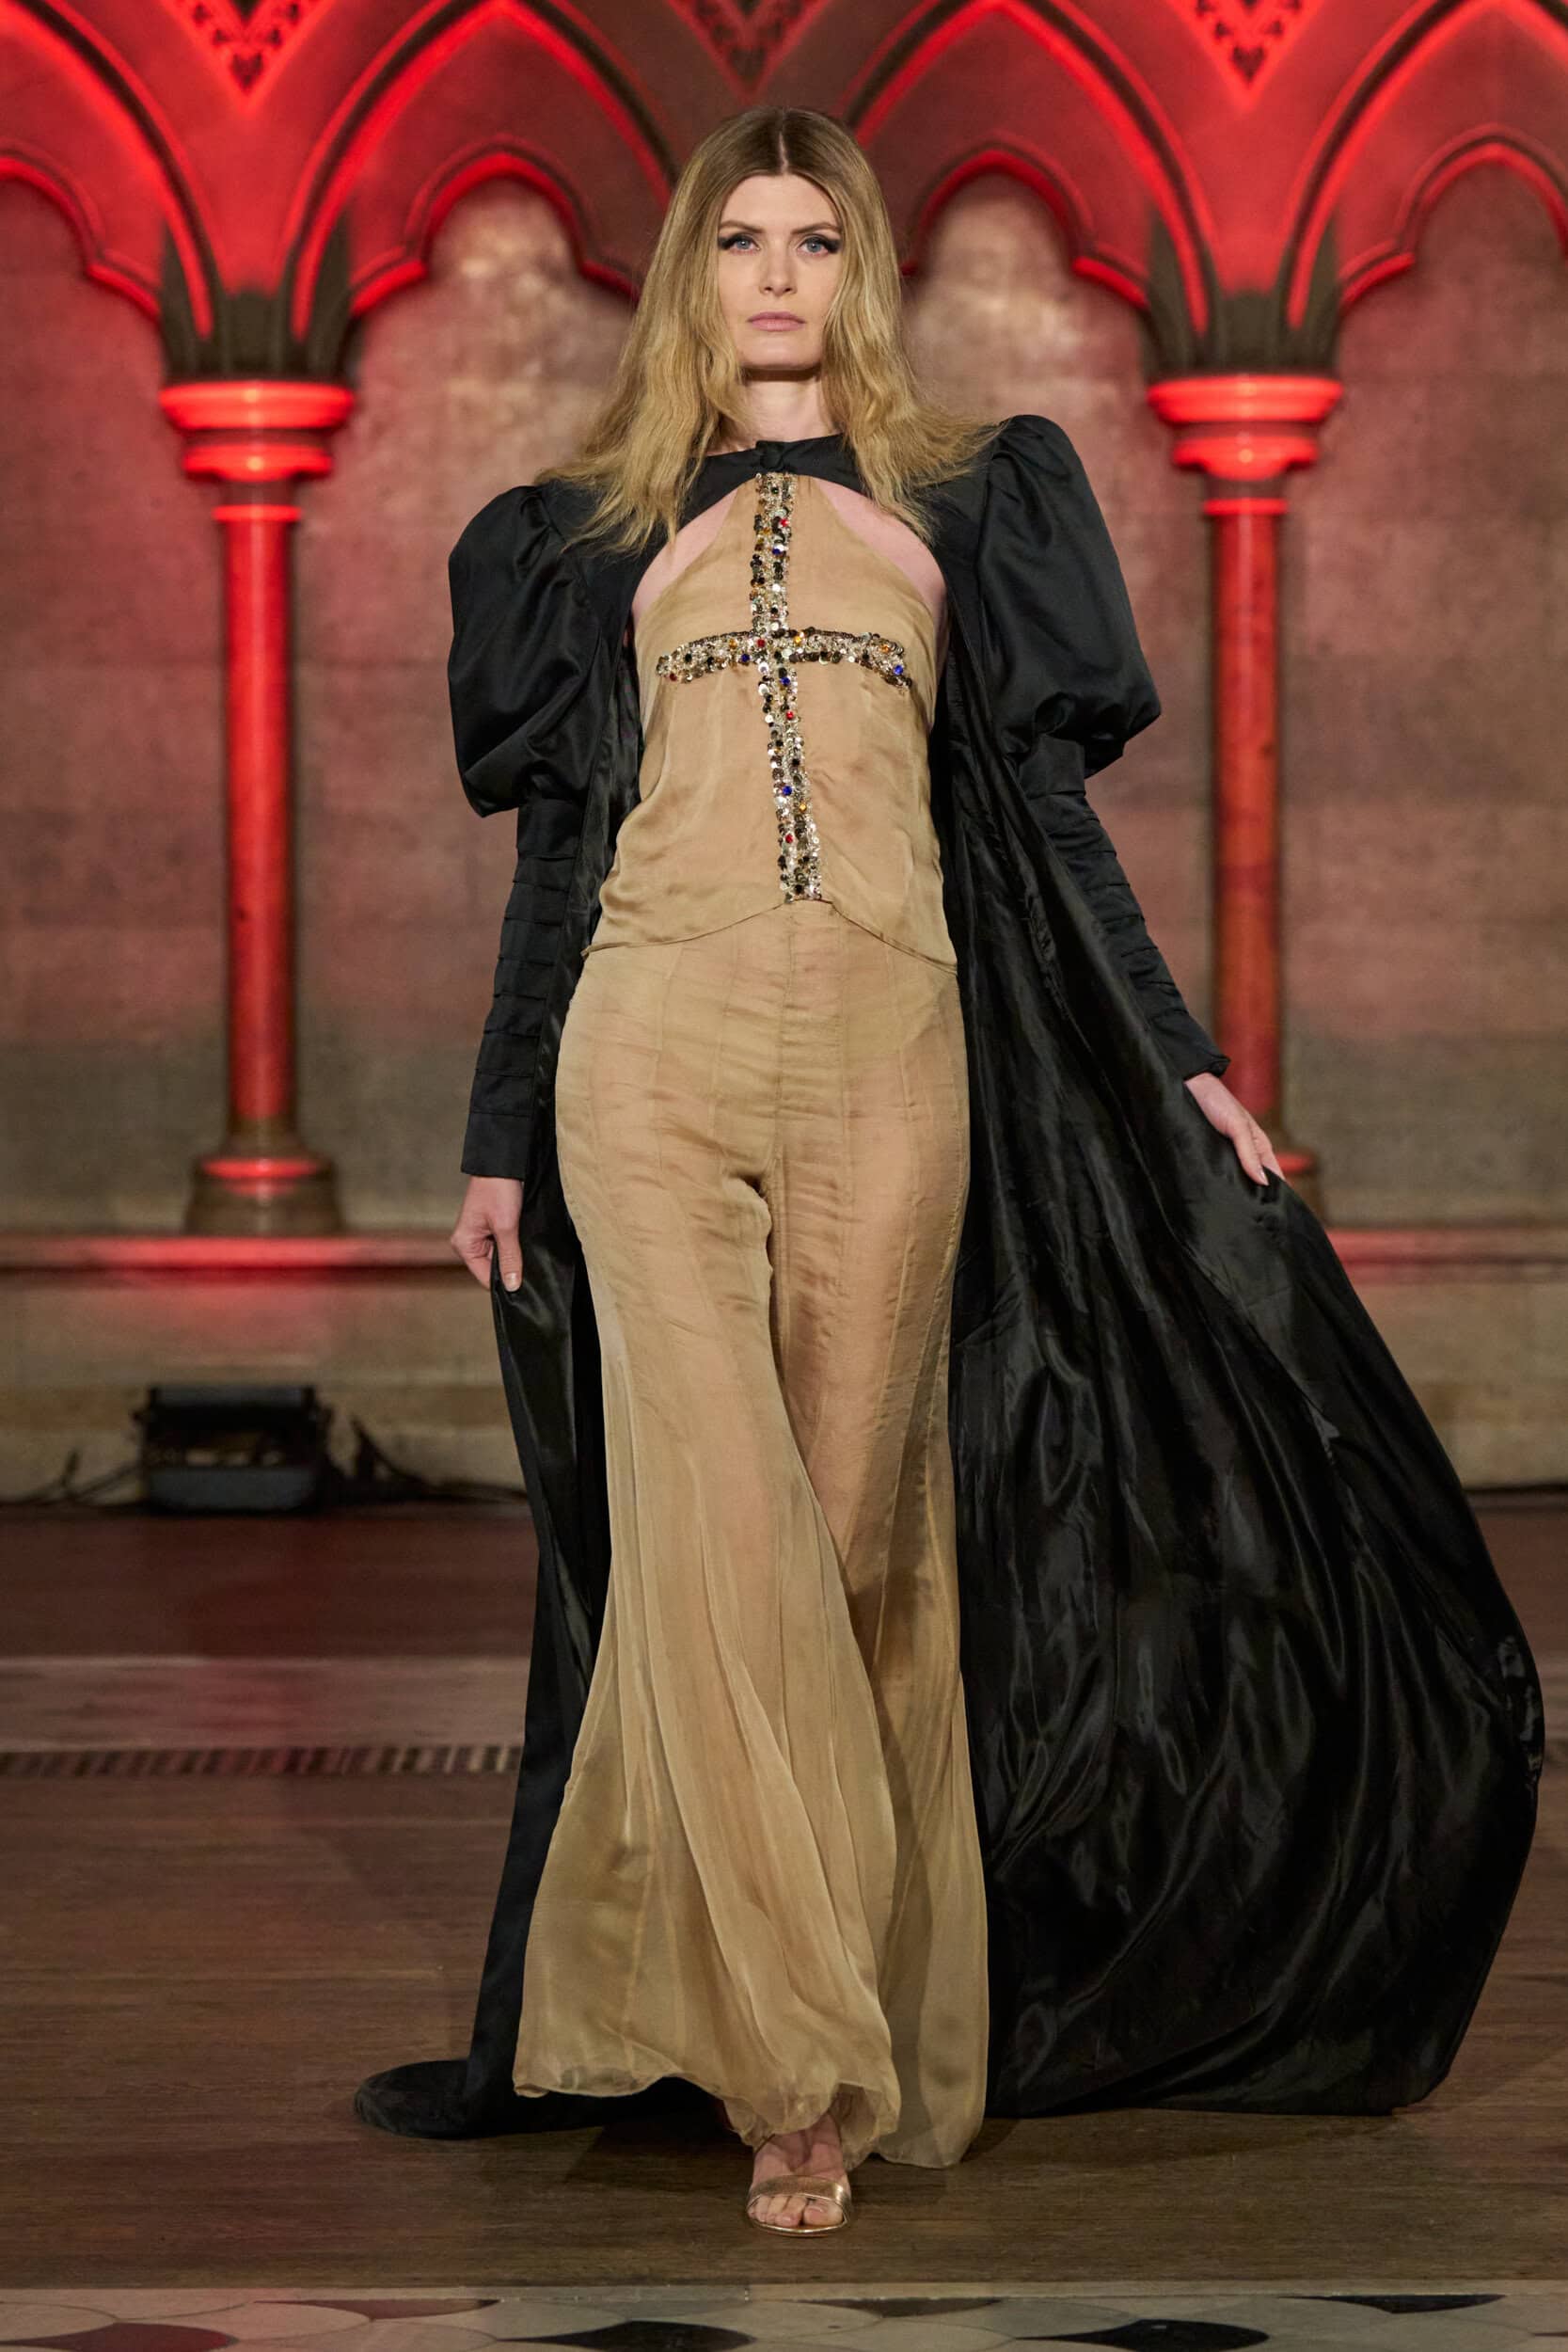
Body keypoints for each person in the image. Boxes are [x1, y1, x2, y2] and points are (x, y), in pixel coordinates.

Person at [356, 106, 1544, 2234]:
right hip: (648, 1058)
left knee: (859, 1543)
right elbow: (557, 862)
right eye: (742, 238)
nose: (778, 275)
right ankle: (796, 2068)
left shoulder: (965, 509)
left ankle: (840, 1998)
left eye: (815, 239)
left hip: (893, 1058)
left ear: (862, 271)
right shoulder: (588, 539)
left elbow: (1057, 834)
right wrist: (497, 1134)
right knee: (716, 1536)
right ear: (693, 273)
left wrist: (1184, 1064)